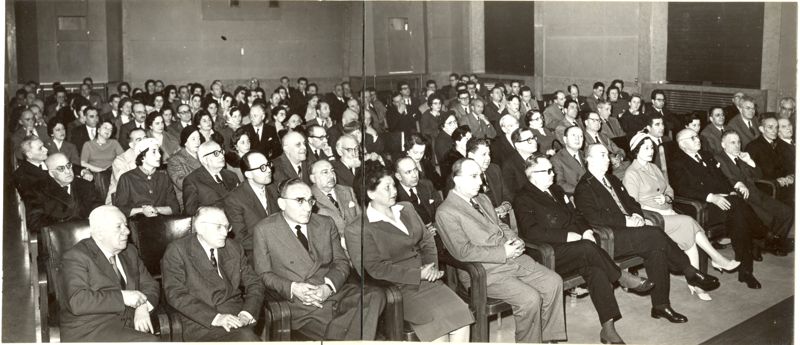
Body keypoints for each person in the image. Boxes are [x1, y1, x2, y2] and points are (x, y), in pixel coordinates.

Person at [575, 144, 721, 322]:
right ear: (588, 159)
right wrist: (626, 221)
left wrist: (636, 214)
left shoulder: (612, 180)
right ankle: (689, 270)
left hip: (633, 232)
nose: (608, 159)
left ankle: (661, 306)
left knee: (656, 250)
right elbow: (592, 217)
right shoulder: (584, 187)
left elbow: (631, 202)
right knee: (654, 234)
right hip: (611, 237)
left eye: (607, 154)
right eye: (602, 155)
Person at [514, 153, 650, 344]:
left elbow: (577, 215)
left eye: (552, 170)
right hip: (548, 254)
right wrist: (567, 236)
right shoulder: (523, 197)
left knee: (596, 270)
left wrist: (586, 230)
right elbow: (530, 232)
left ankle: (608, 329)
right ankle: (621, 276)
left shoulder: (556, 190)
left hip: (576, 248)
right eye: (547, 171)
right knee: (588, 248)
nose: (552, 174)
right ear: (532, 174)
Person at [437, 158, 565, 343]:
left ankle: (549, 339)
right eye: (473, 176)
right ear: (457, 179)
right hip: (484, 272)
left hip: (512, 260)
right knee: (530, 299)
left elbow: (500, 226)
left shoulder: (482, 199)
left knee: (553, 282)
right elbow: (462, 251)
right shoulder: (446, 212)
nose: (480, 181)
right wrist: (502, 252)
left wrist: (515, 239)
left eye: (480, 176)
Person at [348, 161, 472, 342]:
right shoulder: (358, 228)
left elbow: (427, 240)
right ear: (370, 193)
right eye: (387, 188)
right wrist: (418, 274)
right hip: (397, 289)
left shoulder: (406, 208)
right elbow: (373, 269)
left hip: (428, 281)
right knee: (439, 327)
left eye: (393, 185)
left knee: (462, 315)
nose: (394, 191)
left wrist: (430, 269)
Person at [252, 179, 385, 340]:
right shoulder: (264, 230)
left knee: (375, 294)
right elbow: (263, 274)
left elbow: (341, 262)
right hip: (304, 303)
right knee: (360, 329)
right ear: (282, 203)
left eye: (310, 200)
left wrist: (328, 287)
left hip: (334, 292)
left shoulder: (325, 223)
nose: (308, 207)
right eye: (300, 201)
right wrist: (293, 288)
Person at [623, 133, 740, 301]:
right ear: (636, 151)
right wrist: (658, 210)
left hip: (668, 213)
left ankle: (696, 284)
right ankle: (717, 259)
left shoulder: (653, 168)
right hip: (651, 220)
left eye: (651, 148)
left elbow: (669, 190)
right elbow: (632, 205)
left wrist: (666, 198)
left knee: (691, 241)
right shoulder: (632, 174)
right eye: (646, 148)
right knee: (689, 221)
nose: (651, 152)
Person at [667, 130, 766, 289]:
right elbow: (681, 189)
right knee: (740, 210)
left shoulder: (706, 155)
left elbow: (721, 178)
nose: (697, 139)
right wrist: (711, 197)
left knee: (740, 215)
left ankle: (746, 268)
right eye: (692, 138)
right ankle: (761, 236)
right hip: (701, 207)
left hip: (724, 201)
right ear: (682, 144)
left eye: (697, 136)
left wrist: (731, 190)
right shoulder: (677, 162)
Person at [161, 206, 263, 341]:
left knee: (246, 337)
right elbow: (175, 293)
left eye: (227, 227)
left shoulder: (234, 247)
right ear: (200, 228)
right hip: (201, 321)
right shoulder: (178, 250)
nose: (225, 233)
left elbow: (255, 283)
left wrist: (247, 313)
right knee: (247, 339)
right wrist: (216, 318)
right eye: (219, 227)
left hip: (237, 317)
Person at [59, 206, 159, 342]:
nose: (127, 231)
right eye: (119, 227)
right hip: (91, 329)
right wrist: (123, 297)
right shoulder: (76, 256)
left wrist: (142, 306)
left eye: (126, 225)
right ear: (100, 233)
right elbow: (78, 301)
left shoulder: (129, 251)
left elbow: (150, 284)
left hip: (128, 323)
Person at [716, 131, 793, 256]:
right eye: (732, 142)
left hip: (756, 193)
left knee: (787, 213)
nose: (737, 146)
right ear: (723, 144)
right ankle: (765, 244)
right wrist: (738, 184)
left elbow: (758, 175)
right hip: (741, 198)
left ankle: (768, 244)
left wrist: (750, 161)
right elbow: (726, 178)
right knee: (768, 218)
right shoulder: (719, 158)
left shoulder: (741, 157)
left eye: (739, 142)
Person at [223, 151, 279, 261]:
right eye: (262, 167)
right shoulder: (234, 199)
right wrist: (274, 245)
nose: (268, 170)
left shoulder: (274, 188)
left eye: (268, 164)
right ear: (248, 174)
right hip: (256, 255)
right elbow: (241, 239)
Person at [27, 153, 102, 233]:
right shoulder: (39, 190)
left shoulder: (85, 185)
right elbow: (34, 223)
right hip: (58, 237)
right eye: (61, 169)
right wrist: (66, 223)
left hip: (86, 234)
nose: (68, 171)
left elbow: (99, 210)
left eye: (68, 165)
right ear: (51, 173)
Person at [114, 138, 180, 217]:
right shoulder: (127, 178)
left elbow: (175, 208)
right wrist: (142, 210)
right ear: (142, 157)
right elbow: (120, 209)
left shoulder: (164, 177)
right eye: (154, 152)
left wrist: (156, 210)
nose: (159, 155)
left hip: (162, 223)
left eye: (158, 151)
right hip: (137, 225)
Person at [309, 159, 362, 246]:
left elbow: (360, 218)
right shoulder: (310, 198)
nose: (331, 175)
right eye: (325, 172)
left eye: (332, 171)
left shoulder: (348, 190)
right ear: (313, 178)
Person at [745, 114, 795, 205]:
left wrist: (790, 176)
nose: (774, 131)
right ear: (761, 129)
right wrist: (775, 181)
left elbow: (786, 166)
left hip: (784, 188)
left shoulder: (778, 145)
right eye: (770, 127)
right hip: (767, 189)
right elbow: (751, 176)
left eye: (776, 127)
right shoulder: (753, 147)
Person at [183, 140, 240, 215]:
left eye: (221, 151)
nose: (222, 155)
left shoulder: (232, 175)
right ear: (205, 160)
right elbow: (191, 212)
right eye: (216, 153)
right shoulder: (192, 181)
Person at [394, 157, 442, 234]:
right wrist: (423, 233)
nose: (414, 175)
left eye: (415, 169)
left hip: (437, 229)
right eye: (408, 172)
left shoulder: (427, 185)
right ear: (398, 176)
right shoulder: (395, 198)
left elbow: (440, 208)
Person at [81, 119, 124, 198]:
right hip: (95, 174)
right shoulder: (88, 144)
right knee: (101, 176)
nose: (108, 130)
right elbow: (83, 163)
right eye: (106, 128)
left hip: (111, 172)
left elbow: (123, 158)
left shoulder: (114, 143)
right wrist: (99, 170)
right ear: (98, 130)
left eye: (110, 129)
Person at [167, 125, 204, 210]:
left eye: (199, 138)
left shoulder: (204, 155)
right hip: (189, 201)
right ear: (185, 142)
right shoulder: (175, 160)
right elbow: (184, 184)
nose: (198, 142)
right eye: (193, 139)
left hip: (207, 197)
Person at [107, 128, 147, 204]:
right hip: (120, 201)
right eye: (139, 140)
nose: (144, 142)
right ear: (131, 145)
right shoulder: (120, 161)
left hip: (145, 199)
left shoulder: (152, 157)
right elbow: (125, 185)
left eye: (145, 138)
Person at [502, 127, 538, 201]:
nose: (534, 141)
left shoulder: (540, 157)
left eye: (534, 138)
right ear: (518, 145)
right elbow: (512, 194)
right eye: (529, 140)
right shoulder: (509, 166)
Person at [551, 126, 586, 194]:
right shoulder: (556, 159)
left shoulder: (586, 155)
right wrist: (582, 191)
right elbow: (560, 183)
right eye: (573, 135)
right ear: (565, 139)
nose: (577, 139)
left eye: (581, 136)